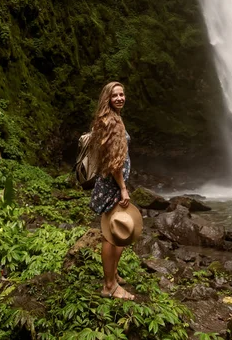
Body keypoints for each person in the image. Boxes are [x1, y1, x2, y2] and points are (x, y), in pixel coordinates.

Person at [90, 81, 135, 300]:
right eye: (115, 95)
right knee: (111, 234)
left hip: (111, 184)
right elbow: (115, 162)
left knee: (117, 231)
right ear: (107, 98)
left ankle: (113, 274)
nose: (119, 98)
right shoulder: (110, 122)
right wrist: (124, 188)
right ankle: (109, 286)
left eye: (122, 94)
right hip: (112, 186)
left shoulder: (112, 118)